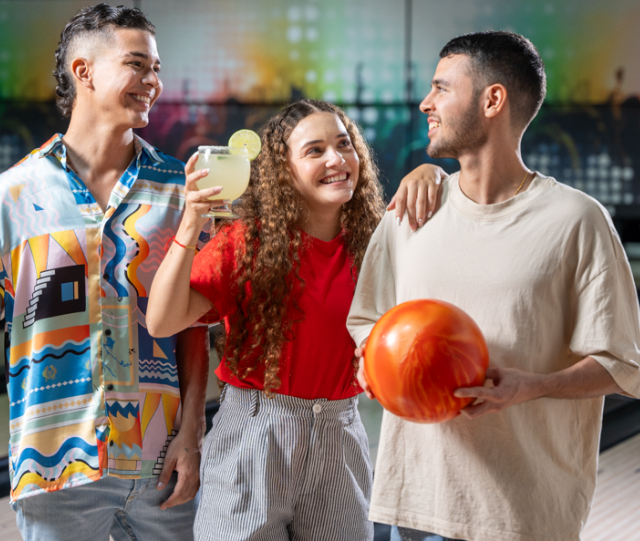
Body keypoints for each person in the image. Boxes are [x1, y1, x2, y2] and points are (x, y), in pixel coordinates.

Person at [0, 4, 208, 541]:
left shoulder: (179, 191)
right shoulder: (12, 192)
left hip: (161, 458)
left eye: (156, 68)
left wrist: (192, 432)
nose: (153, 81)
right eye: (137, 65)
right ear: (84, 72)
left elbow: (194, 326)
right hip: (54, 464)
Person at [347, 31, 640, 541]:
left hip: (523, 515)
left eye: (442, 88)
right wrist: (372, 363)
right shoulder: (410, 212)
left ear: (492, 100)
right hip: (415, 507)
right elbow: (366, 324)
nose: (425, 103)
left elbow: (621, 364)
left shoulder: (576, 220)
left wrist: (534, 386)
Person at [146, 99, 444, 541]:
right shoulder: (246, 243)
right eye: (315, 151)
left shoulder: (379, 243)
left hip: (340, 435)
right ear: (283, 171)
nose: (336, 160)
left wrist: (433, 173)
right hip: (254, 435)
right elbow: (162, 322)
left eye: (344, 145)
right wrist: (191, 222)